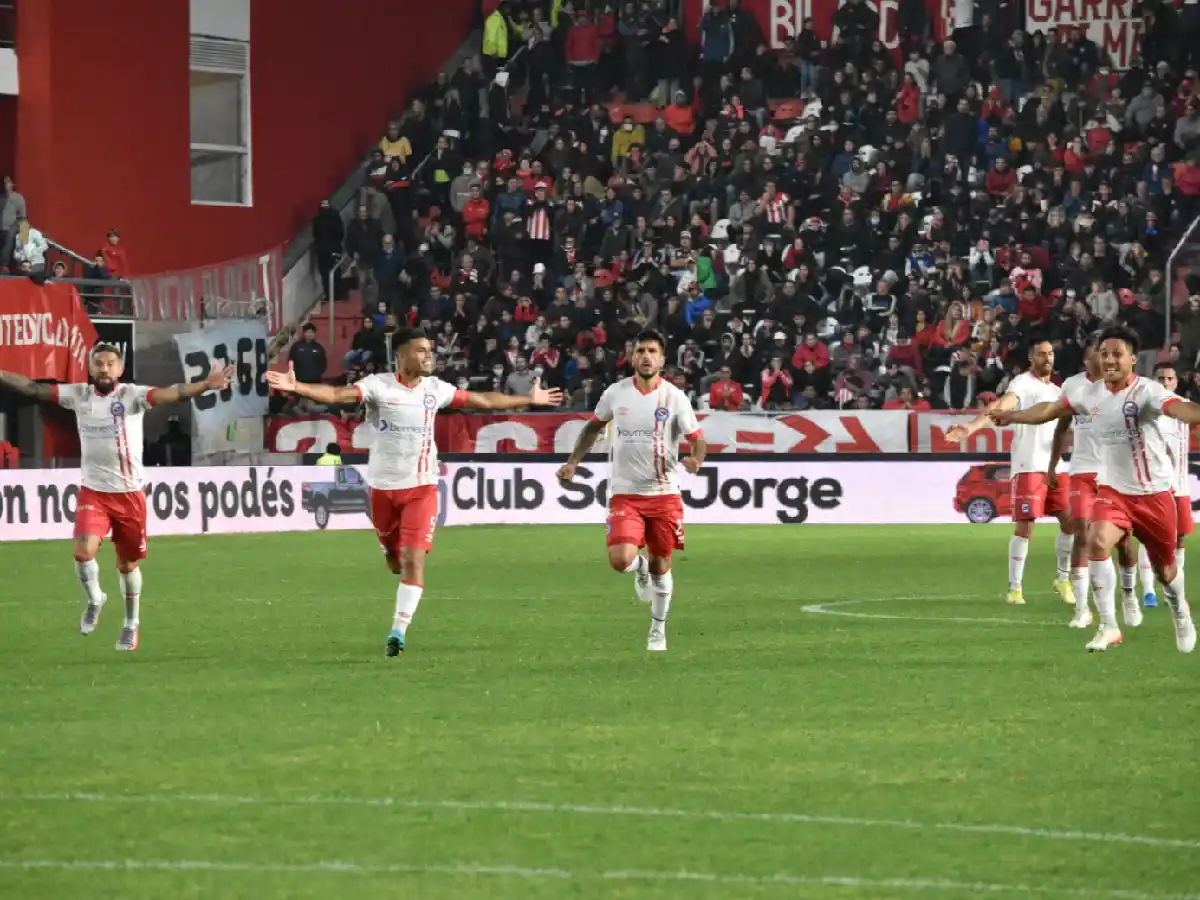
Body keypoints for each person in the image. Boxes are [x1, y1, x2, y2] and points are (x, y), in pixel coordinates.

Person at [266, 327, 562, 658]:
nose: (428, 356)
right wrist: (297, 387)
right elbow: (337, 396)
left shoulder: (435, 389)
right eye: (421, 350)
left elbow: (482, 400)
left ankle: (398, 631)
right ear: (402, 356)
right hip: (382, 488)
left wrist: (528, 399)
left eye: (430, 350)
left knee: (412, 559)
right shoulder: (379, 386)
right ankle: (388, 552)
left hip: (422, 486)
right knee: (395, 562)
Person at [0, 344, 232, 651]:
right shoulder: (78, 395)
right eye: (99, 364)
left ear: (120, 369)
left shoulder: (132, 396)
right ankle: (96, 598)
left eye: (111, 363)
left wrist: (204, 385)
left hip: (129, 495)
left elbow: (170, 393)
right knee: (83, 552)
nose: (105, 369)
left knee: (127, 565)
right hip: (93, 492)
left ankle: (130, 623)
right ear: (91, 368)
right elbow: (32, 388)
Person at [989, 326, 1198, 653]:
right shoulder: (1089, 393)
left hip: (1155, 494)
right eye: (1105, 354)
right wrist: (1012, 415)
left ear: (1132, 359)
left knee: (1165, 571)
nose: (1110, 360)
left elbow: (1181, 411)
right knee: (1096, 541)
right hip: (1113, 491)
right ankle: (1109, 626)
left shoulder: (1148, 391)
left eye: (1117, 354)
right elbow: (1049, 411)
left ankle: (1180, 611)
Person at [556, 330, 707, 652]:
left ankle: (658, 629)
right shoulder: (616, 393)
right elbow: (593, 428)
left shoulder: (674, 397)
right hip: (625, 493)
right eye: (640, 350)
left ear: (662, 359)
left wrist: (697, 458)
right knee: (620, 559)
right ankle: (637, 568)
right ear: (631, 356)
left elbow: (697, 437)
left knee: (661, 564)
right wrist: (573, 463)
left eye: (652, 350)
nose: (646, 356)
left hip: (664, 494)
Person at [945, 339, 1075, 606]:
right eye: (1041, 354)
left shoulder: (1059, 391)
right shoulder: (1022, 384)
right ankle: (1015, 588)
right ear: (1031, 357)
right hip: (1028, 464)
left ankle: (1063, 579)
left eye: (1050, 353)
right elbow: (1002, 406)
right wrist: (971, 427)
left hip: (1055, 465)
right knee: (1026, 525)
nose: (1047, 358)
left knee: (1070, 522)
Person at [1048, 340, 1140, 630]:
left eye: (1100, 358)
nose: (1096, 364)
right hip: (1082, 470)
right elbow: (1061, 427)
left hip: (1115, 473)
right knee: (1082, 533)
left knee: (1124, 540)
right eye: (1091, 359)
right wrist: (1053, 465)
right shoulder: (1073, 389)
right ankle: (1082, 608)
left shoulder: (1125, 388)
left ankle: (1128, 595)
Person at [1137, 361, 1193, 609]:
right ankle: (1149, 591)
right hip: (1155, 485)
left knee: (1179, 539)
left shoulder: (1184, 407)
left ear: (1176, 381)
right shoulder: (1147, 407)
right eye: (1160, 378)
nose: (1165, 383)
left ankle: (1175, 590)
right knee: (1152, 539)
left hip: (1181, 486)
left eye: (1169, 378)